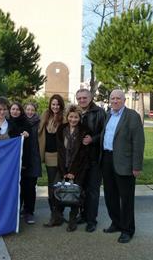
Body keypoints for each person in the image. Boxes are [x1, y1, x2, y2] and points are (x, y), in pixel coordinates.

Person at [101, 89, 144, 244]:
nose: (115, 101)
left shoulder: (132, 116)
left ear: (124, 100)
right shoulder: (108, 115)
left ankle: (127, 230)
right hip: (107, 159)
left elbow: (138, 143)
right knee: (110, 195)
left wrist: (136, 166)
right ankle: (116, 223)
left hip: (125, 162)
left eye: (118, 98)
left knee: (126, 198)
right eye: (112, 98)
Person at [53, 105, 90, 232]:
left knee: (75, 194)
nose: (73, 119)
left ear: (79, 118)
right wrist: (64, 172)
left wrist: (73, 172)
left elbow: (83, 154)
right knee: (58, 191)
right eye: (71, 116)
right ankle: (56, 218)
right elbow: (60, 151)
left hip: (78, 168)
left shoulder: (84, 131)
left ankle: (72, 220)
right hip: (63, 166)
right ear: (67, 116)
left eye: (76, 117)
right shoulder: (61, 129)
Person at [76, 88, 106, 232]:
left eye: (84, 98)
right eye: (79, 98)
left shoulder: (99, 112)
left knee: (92, 191)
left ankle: (91, 220)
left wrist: (93, 139)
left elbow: (106, 133)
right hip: (80, 159)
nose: (82, 100)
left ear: (90, 98)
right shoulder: (76, 112)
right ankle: (83, 215)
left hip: (94, 158)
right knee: (81, 189)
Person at [38, 94, 66, 227]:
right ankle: (54, 214)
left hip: (60, 156)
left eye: (57, 104)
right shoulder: (45, 116)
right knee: (51, 185)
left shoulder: (64, 117)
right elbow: (38, 130)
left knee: (58, 185)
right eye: (53, 104)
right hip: (49, 155)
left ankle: (58, 214)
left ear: (61, 105)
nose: (55, 107)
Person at [8, 102, 34, 224]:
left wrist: (26, 136)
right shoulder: (6, 123)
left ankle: (28, 212)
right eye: (13, 109)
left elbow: (29, 146)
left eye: (18, 109)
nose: (15, 111)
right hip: (8, 163)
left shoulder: (26, 124)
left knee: (27, 187)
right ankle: (14, 211)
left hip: (23, 160)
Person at [21, 102, 43, 224]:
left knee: (30, 186)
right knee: (22, 185)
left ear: (35, 111)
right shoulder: (21, 122)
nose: (29, 112)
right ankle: (23, 209)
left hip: (34, 158)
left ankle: (30, 211)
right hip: (23, 158)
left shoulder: (39, 124)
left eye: (32, 110)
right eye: (27, 109)